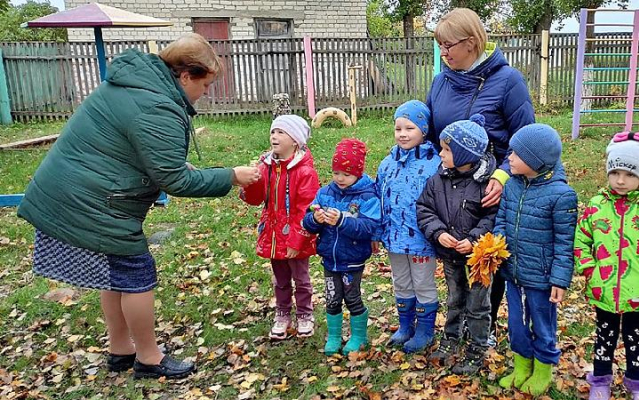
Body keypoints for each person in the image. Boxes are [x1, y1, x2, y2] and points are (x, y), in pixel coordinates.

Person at [16, 33, 261, 379]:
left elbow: (131, 149)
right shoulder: (157, 105)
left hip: (77, 191)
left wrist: (175, 166)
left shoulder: (135, 86)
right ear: (186, 75)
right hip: (94, 201)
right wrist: (231, 176)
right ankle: (149, 357)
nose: (205, 95)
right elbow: (176, 182)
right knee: (136, 275)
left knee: (114, 276)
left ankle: (121, 350)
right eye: (204, 86)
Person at [427, 8, 537, 345]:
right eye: (440, 46)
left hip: (491, 185)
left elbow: (525, 138)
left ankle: (483, 325)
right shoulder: (441, 82)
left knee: (483, 257)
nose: (443, 53)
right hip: (451, 185)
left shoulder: (508, 81)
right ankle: (459, 321)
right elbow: (434, 134)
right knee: (454, 257)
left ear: (472, 42)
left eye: (448, 46)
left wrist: (502, 176)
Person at [574, 131, 639, 400]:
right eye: (615, 172)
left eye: (630, 174)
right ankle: (600, 380)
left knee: (635, 337)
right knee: (604, 336)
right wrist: (589, 269)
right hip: (604, 288)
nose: (620, 180)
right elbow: (581, 239)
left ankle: (636, 381)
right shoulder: (597, 207)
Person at [494, 124, 577, 396]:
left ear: (535, 160)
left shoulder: (562, 196)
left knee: (542, 323)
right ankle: (521, 366)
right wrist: (495, 245)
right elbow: (501, 221)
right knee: (516, 324)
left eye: (516, 154)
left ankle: (542, 371)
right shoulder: (512, 185)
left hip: (542, 278)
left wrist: (559, 279)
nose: (510, 158)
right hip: (513, 272)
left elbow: (565, 243)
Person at [416, 114, 498, 375]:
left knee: (478, 305)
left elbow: (493, 218)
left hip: (478, 261)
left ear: (465, 155)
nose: (441, 154)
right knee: (454, 299)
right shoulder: (438, 179)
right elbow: (424, 208)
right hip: (451, 257)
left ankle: (476, 348)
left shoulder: (487, 185)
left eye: (447, 150)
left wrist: (473, 240)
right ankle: (451, 339)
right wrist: (438, 233)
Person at [239, 115, 320, 340]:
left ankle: (305, 313)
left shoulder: (305, 172)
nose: (274, 136)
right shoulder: (265, 166)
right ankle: (282, 313)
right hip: (274, 233)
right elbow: (256, 199)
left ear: (295, 140)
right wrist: (251, 182)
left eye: (281, 132)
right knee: (280, 278)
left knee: (301, 278)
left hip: (296, 235)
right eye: (273, 131)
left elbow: (306, 208)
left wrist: (297, 240)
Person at [302, 138, 380, 356]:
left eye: (346, 174)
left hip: (352, 258)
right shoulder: (326, 193)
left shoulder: (367, 196)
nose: (340, 178)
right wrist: (315, 219)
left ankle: (359, 337)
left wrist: (342, 221)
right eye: (336, 173)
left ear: (357, 172)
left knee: (352, 297)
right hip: (329, 257)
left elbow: (369, 227)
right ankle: (335, 336)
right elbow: (306, 221)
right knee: (332, 297)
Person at [374, 100, 441, 352]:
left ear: (423, 130)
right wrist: (377, 231)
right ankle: (405, 326)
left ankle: (425, 330)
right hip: (393, 236)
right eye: (398, 128)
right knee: (401, 281)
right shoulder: (387, 163)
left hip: (421, 239)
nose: (403, 134)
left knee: (423, 283)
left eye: (409, 128)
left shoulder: (435, 164)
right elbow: (378, 197)